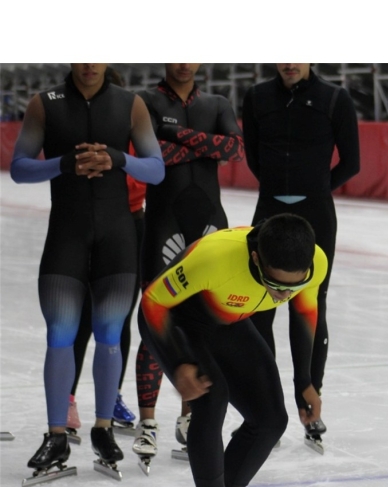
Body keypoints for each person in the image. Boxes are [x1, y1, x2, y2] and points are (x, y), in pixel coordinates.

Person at [9, 63, 164, 477]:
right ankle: (56, 434)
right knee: (59, 335)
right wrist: (63, 165)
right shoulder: (44, 105)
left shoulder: (130, 105)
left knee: (110, 335)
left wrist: (116, 158)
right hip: (66, 236)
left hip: (118, 237)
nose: (90, 64)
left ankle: (102, 428)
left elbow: (156, 167)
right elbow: (19, 167)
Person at [138, 213, 327, 487]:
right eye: (275, 285)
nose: (284, 295)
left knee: (271, 421)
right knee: (212, 399)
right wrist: (179, 361)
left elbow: (305, 315)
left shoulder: (317, 262)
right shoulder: (215, 258)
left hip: (226, 320)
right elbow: (154, 300)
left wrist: (305, 383)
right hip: (174, 319)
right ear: (255, 259)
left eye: (294, 287)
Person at [241, 63, 360, 446]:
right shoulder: (257, 97)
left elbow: (352, 162)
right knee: (261, 307)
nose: (290, 61)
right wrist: (280, 188)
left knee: (310, 307)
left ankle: (309, 400)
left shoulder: (335, 98)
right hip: (268, 212)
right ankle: (267, 407)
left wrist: (316, 189)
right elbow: (255, 158)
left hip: (317, 215)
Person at [133, 63, 245, 460]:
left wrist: (177, 134)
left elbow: (234, 149)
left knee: (203, 319)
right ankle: (148, 423)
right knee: (156, 316)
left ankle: (190, 415)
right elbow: (150, 155)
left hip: (211, 226)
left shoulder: (217, 102)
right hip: (163, 224)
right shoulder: (145, 100)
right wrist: (204, 145)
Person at [68, 67, 143, 438]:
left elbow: (149, 168)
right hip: (88, 222)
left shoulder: (130, 119)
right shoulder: (78, 124)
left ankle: (110, 394)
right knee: (80, 315)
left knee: (118, 318)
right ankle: (66, 398)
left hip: (131, 222)